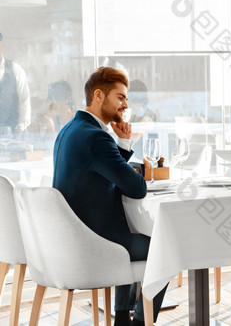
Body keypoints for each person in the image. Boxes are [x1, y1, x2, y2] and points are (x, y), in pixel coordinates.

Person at [52, 66, 167, 326]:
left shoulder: (70, 130)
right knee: (166, 247)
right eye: (121, 97)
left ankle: (123, 318)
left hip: (71, 239)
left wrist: (123, 143)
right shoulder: (96, 138)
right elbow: (137, 187)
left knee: (128, 230)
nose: (126, 105)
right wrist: (122, 150)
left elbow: (103, 172)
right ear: (99, 96)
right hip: (94, 244)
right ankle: (138, 322)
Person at [0, 31, 31, 134]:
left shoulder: (16, 70)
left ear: (2, 44)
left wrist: (21, 128)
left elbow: (24, 101)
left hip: (11, 137)